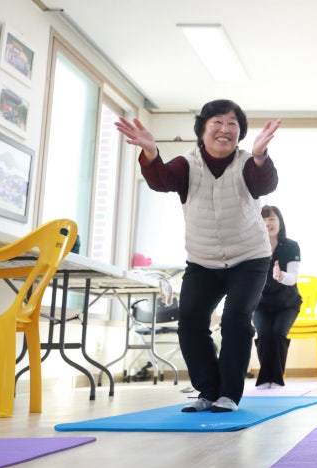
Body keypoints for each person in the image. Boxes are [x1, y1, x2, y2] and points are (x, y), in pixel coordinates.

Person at [115, 99, 281, 413]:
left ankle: (229, 394)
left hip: (249, 258)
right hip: (203, 260)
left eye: (233, 123)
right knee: (190, 320)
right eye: (217, 121)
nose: (226, 129)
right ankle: (208, 390)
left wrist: (260, 156)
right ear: (202, 130)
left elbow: (265, 183)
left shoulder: (246, 162)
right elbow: (161, 180)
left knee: (235, 319)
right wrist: (151, 153)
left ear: (240, 133)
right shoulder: (187, 164)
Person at [252, 205, 302, 389]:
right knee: (264, 334)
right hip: (260, 303)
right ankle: (265, 379)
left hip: (287, 303)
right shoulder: (254, 247)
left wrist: (281, 276)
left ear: (280, 221)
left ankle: (277, 380)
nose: (267, 223)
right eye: (263, 219)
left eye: (272, 218)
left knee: (278, 334)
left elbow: (293, 277)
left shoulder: (291, 246)